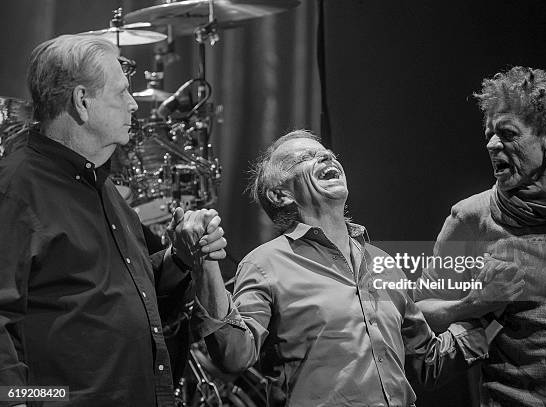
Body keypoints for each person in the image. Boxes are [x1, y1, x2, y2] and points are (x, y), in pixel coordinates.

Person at [190, 129, 497, 407]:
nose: (325, 155)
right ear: (280, 194)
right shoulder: (264, 264)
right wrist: (206, 261)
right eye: (306, 157)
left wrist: (489, 308)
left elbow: (426, 363)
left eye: (327, 153)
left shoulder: (384, 264)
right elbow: (233, 355)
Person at [0, 35, 226, 406]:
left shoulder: (102, 186)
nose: (134, 104)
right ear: (82, 102)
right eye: (122, 92)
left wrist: (180, 258)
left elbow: (130, 290)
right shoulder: (15, 190)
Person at [415, 66, 546, 406]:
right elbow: (420, 313)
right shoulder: (472, 218)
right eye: (489, 133)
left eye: (507, 133)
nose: (492, 144)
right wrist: (474, 303)